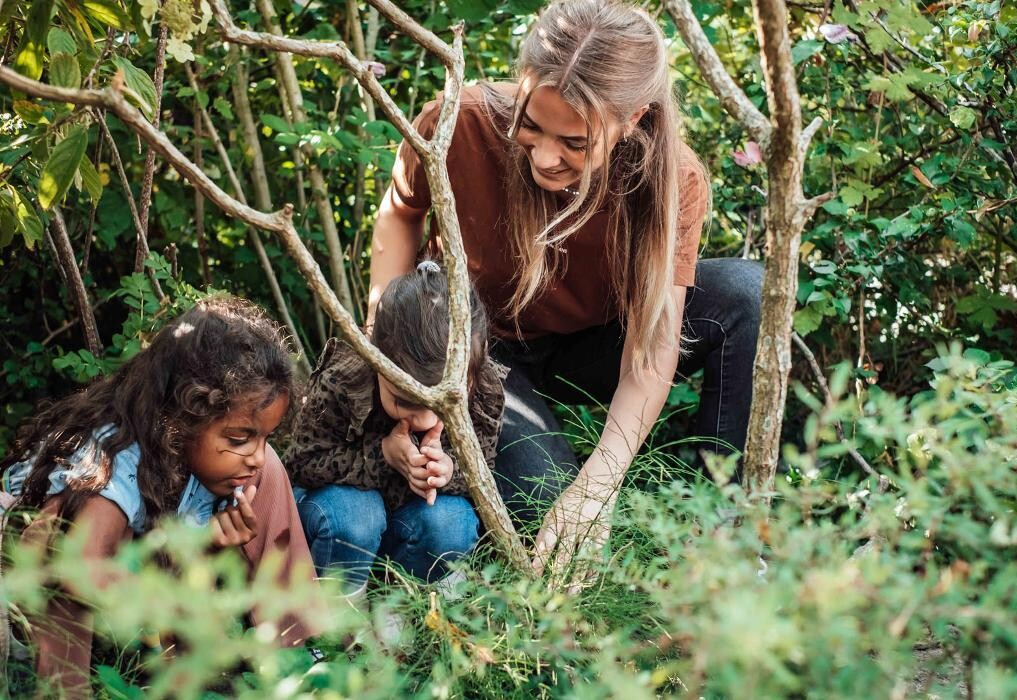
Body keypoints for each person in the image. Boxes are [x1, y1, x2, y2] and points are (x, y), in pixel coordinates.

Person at [368, 0, 763, 573]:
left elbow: (652, 348)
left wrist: (596, 489)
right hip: (484, 352)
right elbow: (401, 212)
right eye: (531, 126)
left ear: (633, 121)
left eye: (576, 143)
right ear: (521, 82)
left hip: (595, 346)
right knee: (549, 513)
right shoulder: (463, 121)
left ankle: (720, 537)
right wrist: (393, 347)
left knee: (746, 292)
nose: (545, 157)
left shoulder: (672, 178)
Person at [0, 297, 319, 699]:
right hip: (43, 564)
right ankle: (64, 690)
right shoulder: (113, 460)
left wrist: (205, 549)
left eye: (264, 435)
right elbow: (75, 570)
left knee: (269, 468)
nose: (253, 454)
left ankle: (300, 660)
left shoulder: (222, 463)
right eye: (239, 438)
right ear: (183, 415)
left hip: (141, 571)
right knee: (61, 550)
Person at [284, 262, 505, 595]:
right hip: (342, 524)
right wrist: (383, 455)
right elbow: (299, 465)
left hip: (406, 527)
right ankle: (339, 614)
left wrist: (448, 471)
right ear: (376, 361)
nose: (428, 421)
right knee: (354, 516)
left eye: (445, 405)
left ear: (471, 375)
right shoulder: (345, 381)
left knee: (451, 522)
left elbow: (484, 475)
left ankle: (401, 599)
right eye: (406, 402)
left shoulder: (484, 392)